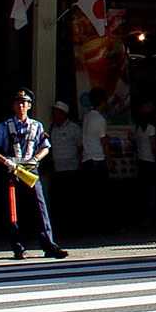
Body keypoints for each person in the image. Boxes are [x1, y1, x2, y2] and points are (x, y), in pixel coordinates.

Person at [0, 87, 68, 260]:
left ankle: (49, 245)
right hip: (13, 171)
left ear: (29, 106)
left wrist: (36, 158)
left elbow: (45, 147)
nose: (21, 106)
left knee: (39, 208)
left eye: (24, 103)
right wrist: (5, 161)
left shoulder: (36, 126)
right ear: (13, 106)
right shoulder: (5, 126)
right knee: (14, 210)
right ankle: (18, 247)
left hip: (30, 171)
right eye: (18, 103)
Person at [80, 87, 115, 233]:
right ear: (103, 101)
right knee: (103, 195)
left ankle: (91, 226)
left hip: (86, 159)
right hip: (97, 159)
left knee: (90, 196)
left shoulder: (87, 117)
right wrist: (110, 162)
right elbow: (104, 144)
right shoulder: (100, 119)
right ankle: (106, 227)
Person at [48, 100, 82, 232]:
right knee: (57, 201)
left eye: (56, 113)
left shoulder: (74, 128)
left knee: (72, 201)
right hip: (57, 171)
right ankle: (60, 227)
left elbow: (80, 148)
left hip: (72, 170)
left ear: (63, 114)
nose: (53, 116)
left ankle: (73, 228)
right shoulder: (52, 129)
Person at [134, 101, 156, 226]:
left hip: (141, 161)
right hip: (150, 162)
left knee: (145, 191)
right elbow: (153, 147)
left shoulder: (139, 127)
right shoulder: (151, 128)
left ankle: (143, 216)